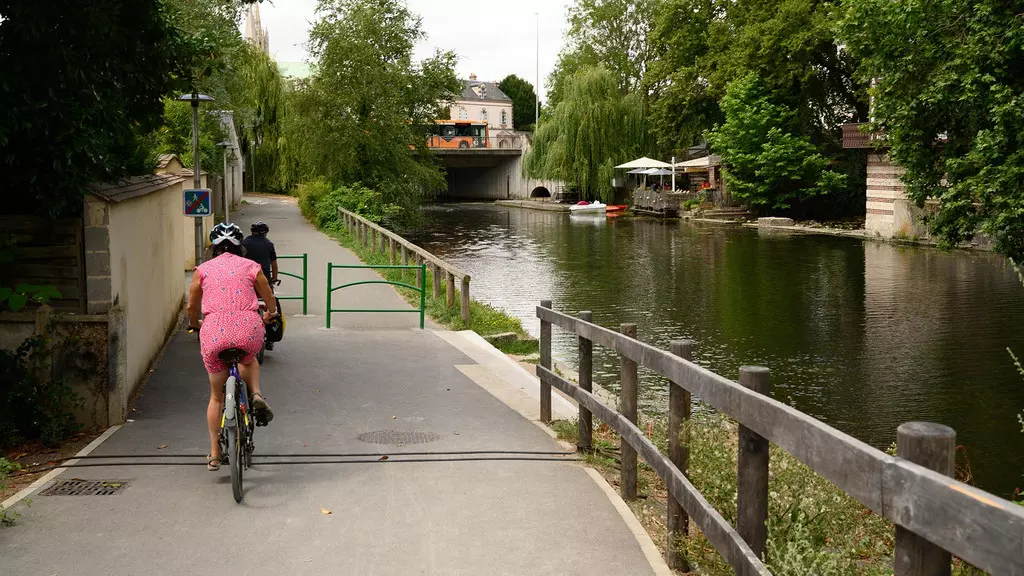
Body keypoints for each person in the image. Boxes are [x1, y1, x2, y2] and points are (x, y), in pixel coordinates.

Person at [187, 223, 276, 471]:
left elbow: (191, 306)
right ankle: (256, 394)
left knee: (216, 397)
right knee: (249, 358)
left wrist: (194, 324)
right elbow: (268, 294)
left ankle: (215, 454)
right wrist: (270, 312)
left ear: (213, 248)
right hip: (247, 327)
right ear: (240, 247)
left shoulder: (202, 270)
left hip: (214, 331)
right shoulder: (251, 266)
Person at [242, 221, 277, 286]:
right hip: (264, 277)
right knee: (267, 292)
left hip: (247, 277)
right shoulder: (269, 244)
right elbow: (274, 263)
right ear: (264, 233)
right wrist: (274, 278)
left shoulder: (244, 243)